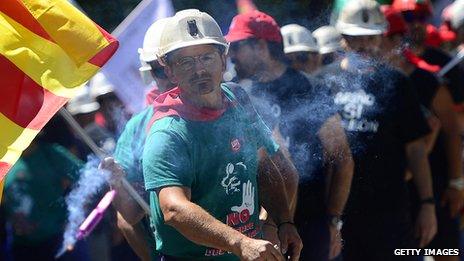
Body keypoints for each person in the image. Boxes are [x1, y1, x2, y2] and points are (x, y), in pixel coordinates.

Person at [140, 9, 301, 260]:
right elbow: (173, 208)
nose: (199, 70)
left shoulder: (237, 98)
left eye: (206, 57)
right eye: (185, 62)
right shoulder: (168, 132)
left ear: (223, 59)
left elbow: (264, 166)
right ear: (169, 71)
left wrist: (282, 222)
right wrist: (239, 243)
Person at [226, 10, 354, 260]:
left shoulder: (309, 88)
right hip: (256, 231)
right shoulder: (239, 94)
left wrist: (333, 220)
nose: (231, 56)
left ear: (261, 46)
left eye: (237, 47)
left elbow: (342, 159)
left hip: (310, 226)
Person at [314, 0, 436, 259]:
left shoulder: (397, 82)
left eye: (372, 37)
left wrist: (427, 204)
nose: (365, 45)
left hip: (388, 212)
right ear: (344, 37)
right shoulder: (323, 81)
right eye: (358, 37)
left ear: (381, 38)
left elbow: (415, 148)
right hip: (335, 211)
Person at [102, 17, 176, 261]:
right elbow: (128, 217)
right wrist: (118, 184)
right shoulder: (137, 127)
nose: (169, 76)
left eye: (174, 64)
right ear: (149, 74)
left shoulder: (230, 106)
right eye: (159, 69)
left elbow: (271, 172)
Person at [1, 117, 90, 261]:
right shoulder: (5, 161)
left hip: (58, 241)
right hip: (22, 249)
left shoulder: (50, 154)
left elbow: (86, 177)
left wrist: (77, 213)